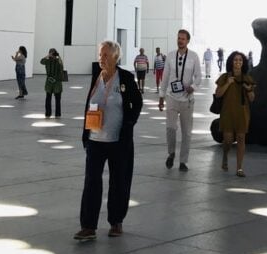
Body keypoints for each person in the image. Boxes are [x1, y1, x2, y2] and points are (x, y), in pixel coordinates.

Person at [74, 40, 142, 242]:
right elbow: (90, 104)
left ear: (115, 57)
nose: (101, 58)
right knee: (91, 181)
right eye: (100, 54)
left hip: (118, 141)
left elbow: (137, 103)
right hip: (95, 139)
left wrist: (128, 123)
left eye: (105, 55)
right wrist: (86, 133)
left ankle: (116, 222)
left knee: (118, 181)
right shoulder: (97, 76)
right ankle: (88, 226)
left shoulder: (126, 78)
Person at [158, 29, 202, 171]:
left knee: (186, 132)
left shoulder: (194, 57)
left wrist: (193, 87)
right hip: (171, 97)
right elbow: (164, 78)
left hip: (187, 100)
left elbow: (198, 77)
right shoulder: (170, 56)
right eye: (178, 38)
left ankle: (183, 161)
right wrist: (161, 96)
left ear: (188, 41)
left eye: (183, 39)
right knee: (170, 128)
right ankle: (171, 153)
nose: (180, 40)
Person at [214, 51, 256, 177]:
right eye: (235, 60)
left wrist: (249, 90)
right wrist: (228, 83)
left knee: (241, 138)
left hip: (242, 112)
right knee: (228, 140)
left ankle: (239, 168)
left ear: (243, 63)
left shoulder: (248, 78)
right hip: (227, 112)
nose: (238, 62)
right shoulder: (225, 77)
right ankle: (225, 156)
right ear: (231, 62)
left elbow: (252, 98)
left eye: (240, 60)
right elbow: (218, 94)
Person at [40, 48, 64, 118]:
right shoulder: (47, 60)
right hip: (49, 82)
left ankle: (58, 114)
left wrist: (58, 56)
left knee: (57, 99)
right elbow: (41, 61)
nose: (52, 55)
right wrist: (48, 56)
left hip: (57, 82)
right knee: (48, 98)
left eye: (53, 53)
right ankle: (48, 113)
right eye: (51, 53)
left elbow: (61, 66)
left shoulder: (58, 61)